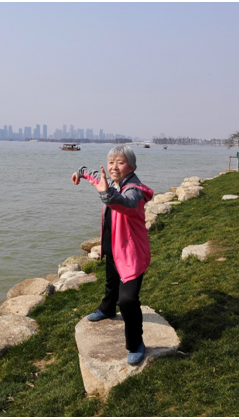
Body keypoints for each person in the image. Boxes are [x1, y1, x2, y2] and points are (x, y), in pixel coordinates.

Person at [71, 145, 153, 365]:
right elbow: (94, 174)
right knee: (111, 284)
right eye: (111, 162)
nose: (114, 166)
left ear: (132, 166)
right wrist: (79, 172)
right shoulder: (113, 181)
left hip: (131, 254)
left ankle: (135, 343)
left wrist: (106, 193)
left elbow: (125, 204)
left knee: (127, 300)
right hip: (113, 249)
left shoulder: (134, 190)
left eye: (121, 162)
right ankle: (107, 309)